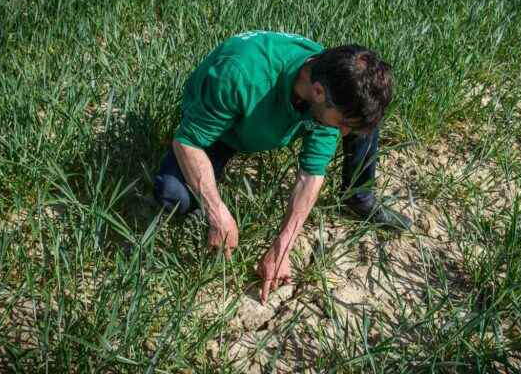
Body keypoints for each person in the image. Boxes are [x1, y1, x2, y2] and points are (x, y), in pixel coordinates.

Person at [154, 30, 411, 303]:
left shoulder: (331, 86)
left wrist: (283, 247)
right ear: (318, 91)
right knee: (173, 194)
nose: (344, 134)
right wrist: (217, 213)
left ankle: (359, 197)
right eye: (342, 123)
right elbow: (187, 142)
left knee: (364, 122)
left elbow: (311, 174)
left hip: (287, 112)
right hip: (225, 128)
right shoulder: (240, 75)